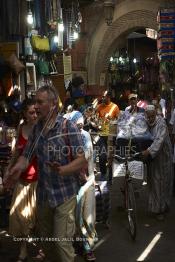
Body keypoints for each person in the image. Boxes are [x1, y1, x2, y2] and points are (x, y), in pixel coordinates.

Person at [4, 85, 87, 262]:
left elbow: (82, 159)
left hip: (65, 194)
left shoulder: (68, 127)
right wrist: (15, 170)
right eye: (35, 102)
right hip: (43, 195)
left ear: (53, 105)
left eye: (40, 102)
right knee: (47, 242)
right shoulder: (36, 129)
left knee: (61, 242)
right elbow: (26, 155)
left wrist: (63, 170)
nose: (36, 107)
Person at [4, 98, 39, 262]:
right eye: (31, 112)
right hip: (22, 179)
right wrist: (9, 170)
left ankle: (41, 248)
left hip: (39, 181)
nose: (34, 115)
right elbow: (16, 152)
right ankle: (23, 249)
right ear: (24, 113)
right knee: (20, 216)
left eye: (36, 112)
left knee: (37, 218)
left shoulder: (42, 128)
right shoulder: (21, 128)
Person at [64, 110, 97, 261]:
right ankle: (85, 246)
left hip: (88, 180)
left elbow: (89, 157)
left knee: (88, 216)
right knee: (77, 218)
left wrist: (91, 176)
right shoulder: (67, 139)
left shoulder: (85, 136)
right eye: (76, 125)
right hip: (74, 184)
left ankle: (88, 243)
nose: (79, 128)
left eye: (81, 125)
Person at [142, 105, 173, 220]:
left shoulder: (161, 124)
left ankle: (161, 209)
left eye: (152, 116)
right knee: (154, 182)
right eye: (148, 116)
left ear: (155, 114)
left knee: (162, 183)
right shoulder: (145, 122)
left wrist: (148, 151)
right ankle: (157, 207)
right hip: (153, 158)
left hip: (163, 157)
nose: (150, 119)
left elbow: (159, 141)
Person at [96, 90, 120, 181]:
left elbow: (119, 121)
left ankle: (110, 176)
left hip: (111, 136)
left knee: (110, 156)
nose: (102, 98)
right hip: (102, 134)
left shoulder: (115, 107)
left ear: (109, 97)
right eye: (102, 96)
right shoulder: (99, 107)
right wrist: (96, 124)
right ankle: (103, 173)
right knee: (102, 155)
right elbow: (96, 120)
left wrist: (111, 120)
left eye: (104, 96)